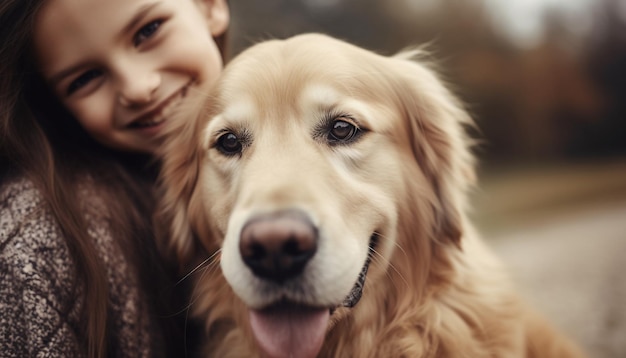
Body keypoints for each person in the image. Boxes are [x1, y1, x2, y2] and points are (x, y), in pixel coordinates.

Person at [0, 0, 229, 356]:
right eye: (86, 78)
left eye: (148, 31)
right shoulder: (37, 245)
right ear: (57, 107)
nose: (137, 88)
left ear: (210, 6)